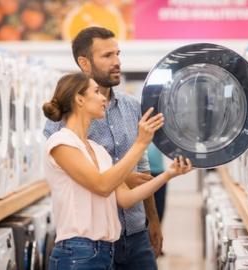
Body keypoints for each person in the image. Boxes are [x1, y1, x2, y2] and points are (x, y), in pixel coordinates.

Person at [43, 72, 192, 269]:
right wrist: (140, 143)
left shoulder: (98, 150)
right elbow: (102, 185)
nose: (103, 97)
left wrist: (169, 174)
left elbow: (125, 199)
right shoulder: (61, 142)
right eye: (96, 92)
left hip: (104, 252)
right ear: (79, 99)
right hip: (76, 253)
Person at [43, 26, 163, 269]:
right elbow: (78, 178)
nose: (117, 62)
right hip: (89, 241)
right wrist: (123, 174)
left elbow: (143, 169)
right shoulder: (62, 123)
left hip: (136, 233)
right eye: (107, 56)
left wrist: (153, 220)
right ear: (84, 63)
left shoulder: (131, 107)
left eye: (118, 54)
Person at [148, 144, 167, 224]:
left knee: (159, 208)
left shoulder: (159, 134)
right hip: (142, 173)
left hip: (159, 172)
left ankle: (158, 229)